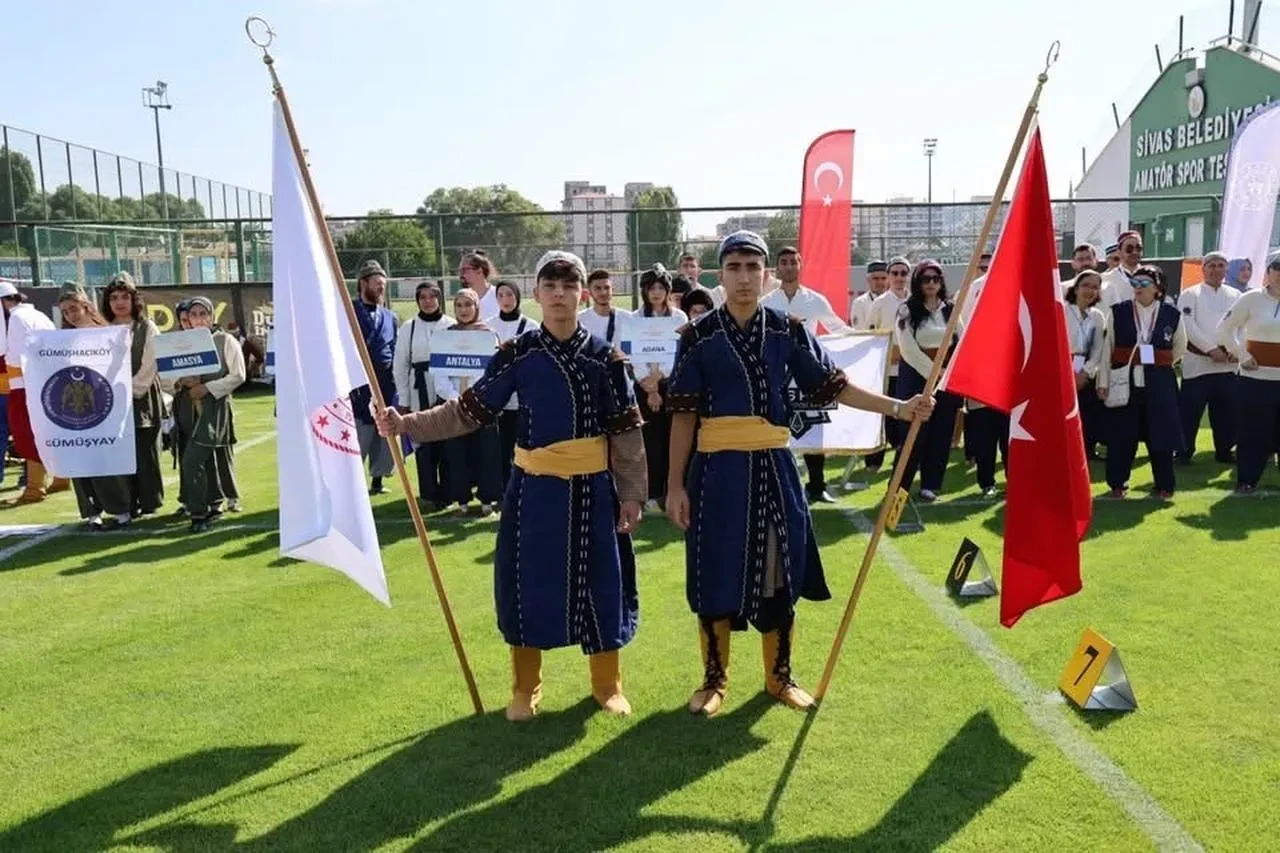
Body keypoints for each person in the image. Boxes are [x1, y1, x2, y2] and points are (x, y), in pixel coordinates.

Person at [664, 231, 934, 717]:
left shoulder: (788, 331)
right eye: (735, 268)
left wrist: (899, 407)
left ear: (767, 274)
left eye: (753, 268)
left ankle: (779, 676)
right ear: (719, 276)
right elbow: (683, 415)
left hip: (773, 467)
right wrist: (674, 484)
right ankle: (713, 680)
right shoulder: (697, 337)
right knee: (712, 571)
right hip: (715, 474)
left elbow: (835, 386)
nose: (744, 278)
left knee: (777, 571)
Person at [375, 250, 646, 722]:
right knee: (526, 586)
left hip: (592, 490)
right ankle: (525, 689)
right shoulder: (517, 354)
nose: (560, 294)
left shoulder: (606, 358)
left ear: (582, 293)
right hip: (534, 489)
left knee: (602, 584)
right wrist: (407, 423)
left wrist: (631, 493)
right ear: (537, 293)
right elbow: (468, 411)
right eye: (550, 285)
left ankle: (608, 685)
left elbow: (625, 432)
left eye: (569, 285)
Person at [762, 246, 850, 504]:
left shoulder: (816, 300)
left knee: (813, 428)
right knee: (778, 429)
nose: (789, 266)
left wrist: (872, 337)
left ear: (801, 266)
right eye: (784, 262)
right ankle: (778, 488)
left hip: (808, 374)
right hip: (778, 377)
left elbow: (838, 328)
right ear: (777, 268)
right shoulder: (767, 303)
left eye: (793, 262)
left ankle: (817, 485)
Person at [1097, 265, 1187, 499]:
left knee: (1161, 434)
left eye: (1143, 284)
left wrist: (1157, 363)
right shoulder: (1118, 311)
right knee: (1121, 436)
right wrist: (1103, 381)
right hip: (1125, 380)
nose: (1137, 288)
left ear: (1157, 288)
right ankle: (1117, 485)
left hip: (1160, 384)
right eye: (1134, 284)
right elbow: (1108, 349)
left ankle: (1164, 485)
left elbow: (1179, 347)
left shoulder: (1171, 313)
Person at [54, 283, 134, 529]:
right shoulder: (61, 339)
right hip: (75, 409)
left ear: (86, 306)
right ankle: (91, 512)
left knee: (105, 457)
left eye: (73, 308)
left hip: (105, 404)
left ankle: (121, 510)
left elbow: (120, 364)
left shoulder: (108, 333)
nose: (70, 315)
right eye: (65, 311)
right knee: (80, 457)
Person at [893, 260, 964, 502]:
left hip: (946, 379)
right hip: (916, 378)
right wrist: (934, 372)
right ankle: (899, 487)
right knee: (913, 433)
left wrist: (948, 372)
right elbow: (907, 348)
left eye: (936, 278)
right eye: (926, 279)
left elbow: (961, 340)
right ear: (917, 282)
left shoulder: (952, 309)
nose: (931, 283)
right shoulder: (906, 309)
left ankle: (931, 485)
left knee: (941, 433)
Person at [175, 297, 246, 532]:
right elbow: (167, 377)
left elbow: (238, 374)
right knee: (201, 461)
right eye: (193, 314)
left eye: (202, 313)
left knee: (193, 460)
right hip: (187, 409)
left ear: (212, 316)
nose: (198, 319)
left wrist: (207, 388)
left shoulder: (224, 340)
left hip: (214, 409)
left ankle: (199, 514)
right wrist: (181, 381)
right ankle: (210, 506)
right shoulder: (181, 342)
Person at [434, 288, 503, 517]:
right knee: (457, 455)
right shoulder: (446, 336)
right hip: (455, 408)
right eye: (459, 305)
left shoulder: (489, 335)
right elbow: (441, 377)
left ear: (477, 307)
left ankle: (487, 504)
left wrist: (476, 400)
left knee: (487, 454)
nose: (464, 310)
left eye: (468, 305)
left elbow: (493, 374)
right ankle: (461, 503)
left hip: (482, 406)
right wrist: (457, 400)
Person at [101, 272, 165, 516]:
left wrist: (130, 390)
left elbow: (150, 365)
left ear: (134, 299)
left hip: (142, 398)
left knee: (145, 453)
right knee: (118, 453)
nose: (119, 302)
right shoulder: (102, 330)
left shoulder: (147, 328)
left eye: (125, 297)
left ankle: (149, 503)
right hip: (110, 401)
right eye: (114, 297)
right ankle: (125, 504)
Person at [1215, 257, 1280, 493]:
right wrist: (1241, 355)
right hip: (1255, 380)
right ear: (1268, 272)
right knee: (1253, 431)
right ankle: (1247, 480)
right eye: (1277, 269)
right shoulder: (1251, 299)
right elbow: (1223, 330)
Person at [392, 281, 456, 511]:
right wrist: (404, 401)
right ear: (417, 300)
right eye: (423, 297)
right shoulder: (408, 327)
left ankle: (448, 492)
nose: (428, 301)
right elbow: (399, 365)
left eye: (432, 296)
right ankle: (429, 492)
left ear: (439, 298)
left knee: (448, 441)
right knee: (424, 441)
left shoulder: (451, 325)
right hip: (419, 387)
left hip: (448, 387)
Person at [1176, 251, 1240, 465]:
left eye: (1221, 265)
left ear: (1226, 269)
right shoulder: (1190, 294)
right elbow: (1188, 326)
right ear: (1203, 269)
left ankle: (1224, 451)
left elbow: (1240, 326)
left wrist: (1234, 349)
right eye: (1211, 265)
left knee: (1227, 414)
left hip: (1227, 367)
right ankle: (1184, 452)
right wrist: (1212, 349)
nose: (1216, 270)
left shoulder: (1236, 295)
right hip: (1198, 365)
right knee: (1190, 413)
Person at [3, 281, 63, 502]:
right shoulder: (37, 315)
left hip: (24, 384)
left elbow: (16, 356)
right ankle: (60, 477)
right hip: (39, 382)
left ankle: (35, 488)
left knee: (27, 434)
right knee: (43, 431)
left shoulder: (17, 319)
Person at [633, 266, 688, 511]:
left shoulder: (679, 318)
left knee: (672, 438)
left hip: (671, 386)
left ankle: (673, 490)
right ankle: (652, 493)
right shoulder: (634, 318)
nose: (656, 293)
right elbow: (632, 354)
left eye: (660, 288)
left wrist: (659, 380)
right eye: (651, 288)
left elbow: (678, 353)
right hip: (643, 387)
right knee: (648, 441)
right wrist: (649, 386)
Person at [349, 260, 399, 496]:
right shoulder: (348, 311)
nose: (381, 288)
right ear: (364, 283)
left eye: (383, 284)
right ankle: (353, 484)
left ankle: (377, 480)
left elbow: (395, 347)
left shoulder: (390, 317)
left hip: (386, 383)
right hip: (358, 384)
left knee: (384, 431)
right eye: (377, 283)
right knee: (360, 432)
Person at [489, 280, 537, 486]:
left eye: (509, 294)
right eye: (500, 295)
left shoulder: (532, 326)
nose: (505, 300)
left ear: (517, 296)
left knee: (526, 447)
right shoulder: (488, 325)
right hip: (499, 400)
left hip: (523, 398)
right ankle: (503, 490)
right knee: (501, 448)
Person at [1063, 271, 1108, 461]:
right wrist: (1070, 374)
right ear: (1076, 287)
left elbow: (1099, 348)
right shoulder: (1062, 311)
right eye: (1086, 285)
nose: (1090, 290)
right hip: (1063, 370)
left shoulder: (1097, 316)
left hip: (1086, 370)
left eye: (1095, 287)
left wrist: (1086, 372)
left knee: (1089, 414)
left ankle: (1087, 450)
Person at [578, 269, 629, 348]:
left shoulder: (628, 318)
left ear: (612, 290)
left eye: (607, 287)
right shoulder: (579, 320)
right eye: (597, 288)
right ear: (590, 292)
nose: (603, 292)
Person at [1099, 230, 1144, 309]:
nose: (1134, 252)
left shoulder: (1151, 277)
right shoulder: (1106, 279)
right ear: (1119, 252)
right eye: (1129, 249)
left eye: (1138, 248)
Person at [459, 249, 501, 321]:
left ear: (479, 271)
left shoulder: (499, 295)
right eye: (460, 270)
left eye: (465, 269)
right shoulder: (462, 297)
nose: (461, 274)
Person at [850, 261, 888, 329]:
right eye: (876, 278)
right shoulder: (859, 303)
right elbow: (859, 331)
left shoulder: (894, 299)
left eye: (883, 278)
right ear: (868, 280)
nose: (880, 282)